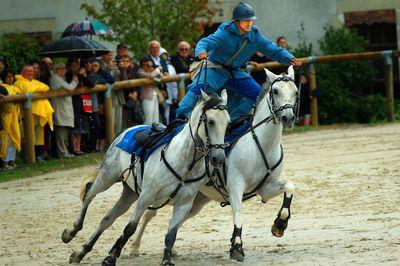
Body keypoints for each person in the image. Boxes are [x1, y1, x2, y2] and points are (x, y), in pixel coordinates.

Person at [176, 2, 302, 121]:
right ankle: (180, 117)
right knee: (199, 88)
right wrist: (201, 52)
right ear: (236, 22)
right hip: (215, 69)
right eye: (246, 21)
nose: (249, 24)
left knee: (257, 94)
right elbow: (205, 42)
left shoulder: (255, 36)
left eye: (251, 20)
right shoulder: (224, 32)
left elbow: (273, 50)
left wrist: (290, 58)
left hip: (235, 72)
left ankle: (233, 121)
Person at [14, 65, 54, 161]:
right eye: (27, 71)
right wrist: (37, 90)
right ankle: (27, 157)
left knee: (38, 135)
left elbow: (46, 87)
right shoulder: (19, 82)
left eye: (32, 71)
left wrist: (36, 89)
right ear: (22, 72)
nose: (30, 73)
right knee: (27, 135)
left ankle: (38, 155)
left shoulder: (35, 82)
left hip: (40, 113)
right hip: (28, 113)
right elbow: (28, 90)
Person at [49, 63, 79, 158]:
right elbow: (69, 88)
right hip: (60, 107)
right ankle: (62, 153)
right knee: (60, 132)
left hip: (64, 107)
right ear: (56, 70)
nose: (62, 70)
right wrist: (74, 82)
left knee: (63, 131)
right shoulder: (55, 78)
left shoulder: (62, 78)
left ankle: (63, 152)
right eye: (59, 69)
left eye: (63, 68)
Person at [0, 71, 21, 170]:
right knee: (6, 140)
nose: (10, 78)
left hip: (15, 117)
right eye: (8, 76)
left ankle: (12, 161)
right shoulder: (2, 87)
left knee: (14, 139)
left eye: (12, 76)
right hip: (6, 117)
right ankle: (4, 163)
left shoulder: (16, 88)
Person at [138, 56, 161, 125]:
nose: (147, 67)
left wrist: (158, 71)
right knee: (148, 119)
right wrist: (157, 70)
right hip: (146, 98)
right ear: (142, 65)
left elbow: (159, 78)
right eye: (145, 65)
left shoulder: (151, 71)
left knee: (155, 119)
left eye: (149, 65)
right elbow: (150, 76)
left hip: (154, 96)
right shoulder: (140, 72)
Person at [159, 48, 179, 124]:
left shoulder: (171, 67)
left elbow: (174, 83)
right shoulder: (157, 66)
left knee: (167, 114)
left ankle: (166, 128)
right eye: (162, 55)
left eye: (165, 55)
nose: (164, 57)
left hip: (169, 93)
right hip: (160, 92)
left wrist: (174, 96)